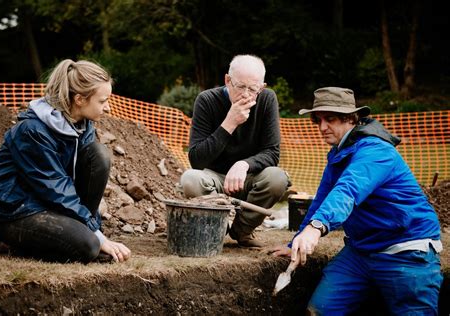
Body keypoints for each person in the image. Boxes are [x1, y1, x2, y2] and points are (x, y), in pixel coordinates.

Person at [272, 87, 443, 314]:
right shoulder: (338, 153)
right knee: (319, 310)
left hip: (406, 251)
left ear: (351, 118)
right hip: (360, 252)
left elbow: (349, 189)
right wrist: (295, 243)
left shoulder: (376, 150)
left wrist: (316, 228)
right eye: (318, 120)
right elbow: (322, 199)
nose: (322, 127)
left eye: (330, 119)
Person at [0, 59, 131, 263]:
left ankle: (81, 235)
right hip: (17, 211)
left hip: (48, 203)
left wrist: (94, 228)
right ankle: (8, 242)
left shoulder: (82, 125)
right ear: (79, 99)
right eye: (103, 100)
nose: (108, 108)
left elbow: (77, 185)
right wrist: (95, 236)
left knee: (99, 155)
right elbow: (55, 187)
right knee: (89, 247)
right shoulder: (32, 131)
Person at [180, 54, 290, 248]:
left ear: (261, 87)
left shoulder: (266, 99)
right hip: (213, 178)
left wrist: (244, 164)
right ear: (227, 80)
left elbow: (272, 153)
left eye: (253, 89)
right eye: (240, 87)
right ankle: (217, 228)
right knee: (190, 179)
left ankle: (242, 230)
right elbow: (196, 160)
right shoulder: (206, 100)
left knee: (277, 178)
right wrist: (229, 123)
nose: (246, 94)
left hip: (250, 177)